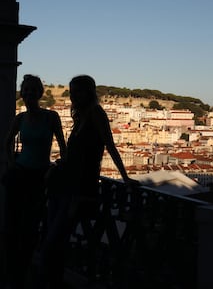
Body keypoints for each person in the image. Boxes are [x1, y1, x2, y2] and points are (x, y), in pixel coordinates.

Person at [37, 74, 139, 288]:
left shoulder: (95, 113)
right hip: (64, 184)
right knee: (53, 241)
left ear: (89, 92)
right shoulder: (81, 115)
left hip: (78, 188)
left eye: (79, 91)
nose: (74, 96)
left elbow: (110, 145)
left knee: (52, 243)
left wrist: (125, 177)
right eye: (72, 91)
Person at [3, 74, 66, 288]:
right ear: (22, 93)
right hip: (20, 174)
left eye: (33, 90)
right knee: (14, 222)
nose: (29, 93)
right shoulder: (19, 119)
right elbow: (7, 143)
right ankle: (14, 270)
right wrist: (12, 163)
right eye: (26, 90)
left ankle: (23, 268)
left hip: (40, 176)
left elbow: (63, 148)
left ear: (40, 93)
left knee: (31, 224)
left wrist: (56, 167)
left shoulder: (52, 117)